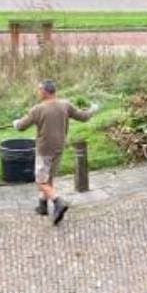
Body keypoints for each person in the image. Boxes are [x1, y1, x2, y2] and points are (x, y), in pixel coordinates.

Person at [13, 79, 98, 225]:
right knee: (49, 177)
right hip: (59, 147)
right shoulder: (65, 105)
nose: (38, 92)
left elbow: (21, 126)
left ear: (45, 91)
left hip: (44, 150)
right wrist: (93, 109)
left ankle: (58, 202)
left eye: (39, 90)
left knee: (41, 181)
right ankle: (42, 206)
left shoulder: (37, 109)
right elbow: (84, 117)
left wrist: (14, 123)